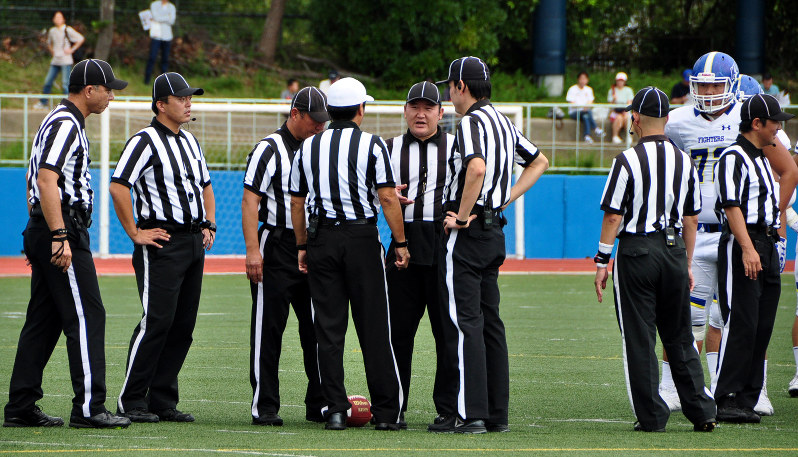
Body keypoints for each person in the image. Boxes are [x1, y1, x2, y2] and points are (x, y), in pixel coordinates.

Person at [4, 59, 130, 429]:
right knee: (88, 315)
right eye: (108, 89)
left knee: (44, 321)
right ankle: (90, 407)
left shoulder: (63, 120)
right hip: (60, 228)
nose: (111, 96)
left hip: (50, 227)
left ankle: (21, 405)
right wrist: (61, 235)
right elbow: (47, 180)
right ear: (88, 90)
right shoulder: (66, 123)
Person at [431, 56, 548, 434]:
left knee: (466, 323)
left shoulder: (470, 123)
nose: (449, 94)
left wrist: (463, 216)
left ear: (461, 86)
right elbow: (540, 160)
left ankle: (472, 413)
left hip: (469, 232)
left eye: (450, 86)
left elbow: (476, 168)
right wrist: (507, 197)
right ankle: (497, 414)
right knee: (491, 323)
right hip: (494, 230)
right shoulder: (503, 121)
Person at [594, 86, 716, 433]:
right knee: (679, 335)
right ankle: (702, 411)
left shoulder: (627, 160)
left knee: (640, 337)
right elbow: (692, 218)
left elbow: (613, 217)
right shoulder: (684, 160)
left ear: (634, 119)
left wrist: (602, 261)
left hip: (637, 251)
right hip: (675, 250)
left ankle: (652, 417)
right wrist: (687, 263)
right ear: (666, 119)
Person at [289, 77, 408, 431]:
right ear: (360, 109)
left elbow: (297, 203)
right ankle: (387, 413)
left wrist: (302, 246)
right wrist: (400, 243)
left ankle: (336, 410)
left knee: (328, 329)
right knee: (374, 327)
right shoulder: (372, 145)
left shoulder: (309, 147)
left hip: (321, 238)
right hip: (360, 238)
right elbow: (387, 197)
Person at [111, 72, 215, 423]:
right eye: (182, 97)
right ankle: (131, 399)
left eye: (190, 97)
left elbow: (205, 185)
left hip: (191, 240)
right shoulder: (143, 141)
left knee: (182, 324)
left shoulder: (190, 142)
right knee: (157, 320)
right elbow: (118, 186)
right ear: (160, 104)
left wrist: (209, 223)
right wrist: (135, 232)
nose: (189, 103)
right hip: (162, 241)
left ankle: (162, 399)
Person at [241, 87, 328, 426]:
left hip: (311, 245)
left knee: (317, 328)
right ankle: (265, 405)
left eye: (323, 121)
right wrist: (252, 251)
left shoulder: (319, 149)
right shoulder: (268, 149)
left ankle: (318, 401)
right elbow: (250, 201)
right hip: (276, 244)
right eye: (313, 121)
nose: (319, 127)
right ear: (295, 114)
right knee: (269, 328)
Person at [660, 51, 741, 412]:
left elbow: (780, 164)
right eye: (701, 84)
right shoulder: (677, 122)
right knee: (684, 316)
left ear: (732, 84)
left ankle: (738, 390)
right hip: (693, 231)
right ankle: (670, 387)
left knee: (735, 317)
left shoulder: (747, 115)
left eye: (714, 84)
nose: (707, 91)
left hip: (734, 233)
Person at [713, 94, 793, 423]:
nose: (779, 127)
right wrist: (747, 247)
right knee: (742, 321)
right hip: (745, 243)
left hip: (766, 243)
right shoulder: (733, 156)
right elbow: (732, 206)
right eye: (774, 122)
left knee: (762, 324)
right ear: (756, 124)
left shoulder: (762, 157)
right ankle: (727, 396)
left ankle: (747, 395)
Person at [383, 81, 457, 429]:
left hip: (444, 242)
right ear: (405, 110)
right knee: (397, 331)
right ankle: (393, 407)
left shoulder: (457, 149)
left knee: (447, 331)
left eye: (429, 107)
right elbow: (370, 194)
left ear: (441, 113)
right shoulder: (388, 148)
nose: (421, 113)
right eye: (415, 106)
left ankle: (448, 408)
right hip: (403, 241)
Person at [34, 11, 84, 110]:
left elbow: (80, 38)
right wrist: (52, 51)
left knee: (65, 83)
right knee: (48, 81)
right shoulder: (52, 31)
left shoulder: (67, 29)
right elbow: (49, 42)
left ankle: (67, 105)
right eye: (56, 18)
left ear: (63, 19)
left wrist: (71, 49)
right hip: (55, 60)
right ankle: (43, 102)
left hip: (65, 60)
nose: (57, 19)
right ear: (53, 20)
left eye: (59, 17)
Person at [566, 71, 603, 144]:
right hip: (574, 112)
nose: (583, 81)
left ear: (587, 80)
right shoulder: (572, 89)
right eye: (581, 79)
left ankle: (587, 136)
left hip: (585, 112)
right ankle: (595, 128)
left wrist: (586, 107)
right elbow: (571, 102)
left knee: (586, 116)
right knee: (587, 112)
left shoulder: (589, 89)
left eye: (584, 79)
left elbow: (591, 101)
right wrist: (582, 107)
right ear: (578, 79)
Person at [144, 0, 176, 85]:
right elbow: (155, 17)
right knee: (152, 58)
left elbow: (172, 20)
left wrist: (160, 18)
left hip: (167, 36)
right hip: (156, 35)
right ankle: (147, 80)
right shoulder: (154, 4)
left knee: (165, 59)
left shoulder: (172, 7)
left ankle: (164, 83)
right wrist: (167, 17)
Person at [607, 72, 634, 144]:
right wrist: (613, 99)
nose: (620, 82)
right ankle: (615, 136)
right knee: (619, 118)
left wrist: (626, 110)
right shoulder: (612, 90)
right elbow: (610, 104)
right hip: (615, 112)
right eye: (619, 80)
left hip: (625, 111)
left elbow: (629, 102)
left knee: (627, 118)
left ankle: (629, 136)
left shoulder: (628, 90)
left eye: (622, 81)